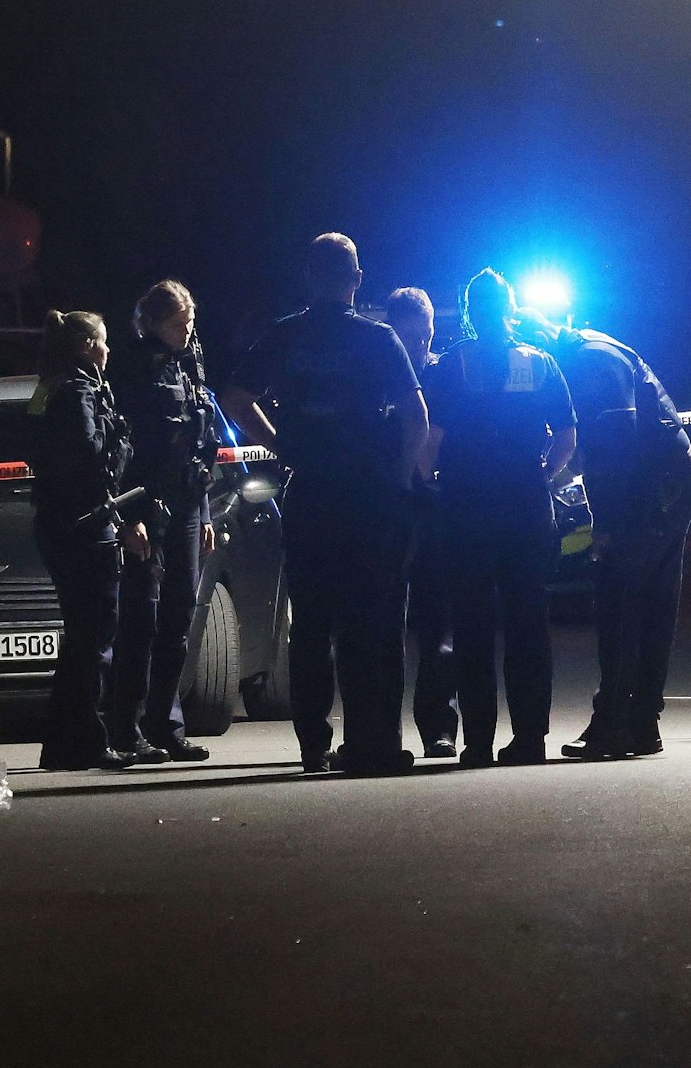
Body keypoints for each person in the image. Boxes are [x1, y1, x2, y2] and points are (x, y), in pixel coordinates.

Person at [219, 234, 427, 775]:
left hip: (311, 493)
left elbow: (236, 398)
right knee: (370, 621)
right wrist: (399, 478)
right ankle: (371, 740)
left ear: (310, 278)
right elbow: (416, 415)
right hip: (369, 497)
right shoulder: (378, 338)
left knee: (310, 624)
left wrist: (280, 443)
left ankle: (313, 743)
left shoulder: (286, 335)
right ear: (356, 279)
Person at [516, 312, 691, 759]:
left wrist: (606, 525)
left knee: (619, 599)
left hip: (657, 487)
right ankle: (641, 723)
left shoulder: (591, 361)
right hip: (666, 481)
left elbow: (618, 448)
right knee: (651, 603)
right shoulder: (581, 355)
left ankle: (613, 723)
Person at [423, 270, 577, 767]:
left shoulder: (452, 365)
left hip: (467, 508)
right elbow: (568, 437)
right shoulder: (539, 361)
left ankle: (478, 742)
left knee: (472, 626)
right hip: (526, 506)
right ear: (510, 309)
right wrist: (545, 477)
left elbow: (432, 440)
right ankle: (530, 738)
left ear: (470, 312)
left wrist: (427, 486)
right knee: (528, 624)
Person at [28, 310, 148, 770]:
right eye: (103, 342)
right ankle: (85, 743)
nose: (108, 351)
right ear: (86, 347)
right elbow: (90, 458)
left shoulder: (47, 388)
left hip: (58, 524)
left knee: (80, 637)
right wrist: (120, 445)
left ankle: (62, 743)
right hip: (85, 526)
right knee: (95, 636)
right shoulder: (80, 391)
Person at [106, 279, 219, 766]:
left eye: (189, 322)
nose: (185, 331)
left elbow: (202, 440)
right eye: (177, 324)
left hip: (190, 504)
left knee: (177, 620)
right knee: (141, 622)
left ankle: (165, 725)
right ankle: (126, 728)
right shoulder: (133, 369)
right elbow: (123, 452)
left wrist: (208, 511)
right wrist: (129, 515)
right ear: (152, 323)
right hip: (149, 507)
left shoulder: (190, 363)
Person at [387, 287, 459, 759]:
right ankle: (379, 731)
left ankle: (440, 726)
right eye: (410, 338)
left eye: (426, 337)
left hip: (434, 510)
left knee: (439, 626)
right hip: (389, 507)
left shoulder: (444, 372)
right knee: (383, 624)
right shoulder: (376, 372)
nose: (419, 347)